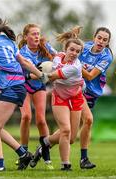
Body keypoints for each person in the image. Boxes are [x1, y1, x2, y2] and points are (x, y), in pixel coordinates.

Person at [0, 15, 48, 171]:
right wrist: (41, 75)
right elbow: (23, 62)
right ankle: (23, 154)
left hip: (12, 87)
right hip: (19, 87)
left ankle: (0, 166)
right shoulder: (9, 42)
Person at [31, 26, 84, 170]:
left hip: (76, 97)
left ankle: (45, 143)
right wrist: (40, 40)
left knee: (71, 138)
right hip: (59, 97)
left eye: (77, 51)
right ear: (65, 49)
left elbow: (52, 76)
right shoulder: (57, 57)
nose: (74, 53)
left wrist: (32, 74)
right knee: (65, 130)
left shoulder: (75, 67)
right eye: (71, 50)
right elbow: (50, 56)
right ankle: (65, 165)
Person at [17, 24, 57, 168]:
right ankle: (24, 154)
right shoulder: (21, 52)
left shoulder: (45, 47)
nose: (36, 36)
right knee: (26, 116)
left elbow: (59, 57)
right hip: (24, 85)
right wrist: (36, 75)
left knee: (41, 120)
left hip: (39, 86)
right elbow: (24, 74)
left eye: (38, 34)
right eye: (33, 34)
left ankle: (46, 157)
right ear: (26, 36)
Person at [78, 27, 113, 169]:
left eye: (105, 40)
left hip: (91, 93)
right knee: (88, 120)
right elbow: (68, 54)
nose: (101, 41)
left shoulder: (106, 56)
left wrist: (73, 66)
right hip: (76, 89)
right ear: (94, 37)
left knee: (68, 130)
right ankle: (84, 159)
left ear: (107, 43)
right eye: (99, 38)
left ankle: (45, 145)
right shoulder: (83, 47)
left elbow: (91, 75)